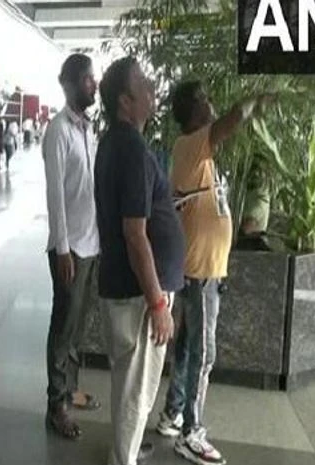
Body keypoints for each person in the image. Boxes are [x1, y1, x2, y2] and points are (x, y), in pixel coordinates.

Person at [157, 81, 273, 465]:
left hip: (202, 271)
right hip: (201, 273)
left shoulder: (197, 152)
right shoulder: (192, 144)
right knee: (204, 355)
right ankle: (192, 434)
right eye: (206, 99)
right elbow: (229, 122)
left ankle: (173, 413)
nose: (212, 104)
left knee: (188, 348)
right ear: (194, 110)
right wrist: (254, 102)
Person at [94, 56, 186, 465]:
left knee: (129, 383)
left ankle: (124, 449)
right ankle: (124, 457)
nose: (152, 88)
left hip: (127, 289)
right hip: (138, 296)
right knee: (136, 390)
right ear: (125, 101)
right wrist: (157, 302)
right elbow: (135, 234)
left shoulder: (115, 142)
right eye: (143, 83)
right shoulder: (130, 148)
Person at [41, 54, 103, 442]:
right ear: (68, 85)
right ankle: (56, 405)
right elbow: (55, 196)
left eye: (93, 78)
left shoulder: (89, 129)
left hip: (92, 243)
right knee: (64, 327)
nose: (93, 85)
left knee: (79, 326)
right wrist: (62, 248)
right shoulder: (58, 130)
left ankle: (71, 389)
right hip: (70, 250)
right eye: (86, 79)